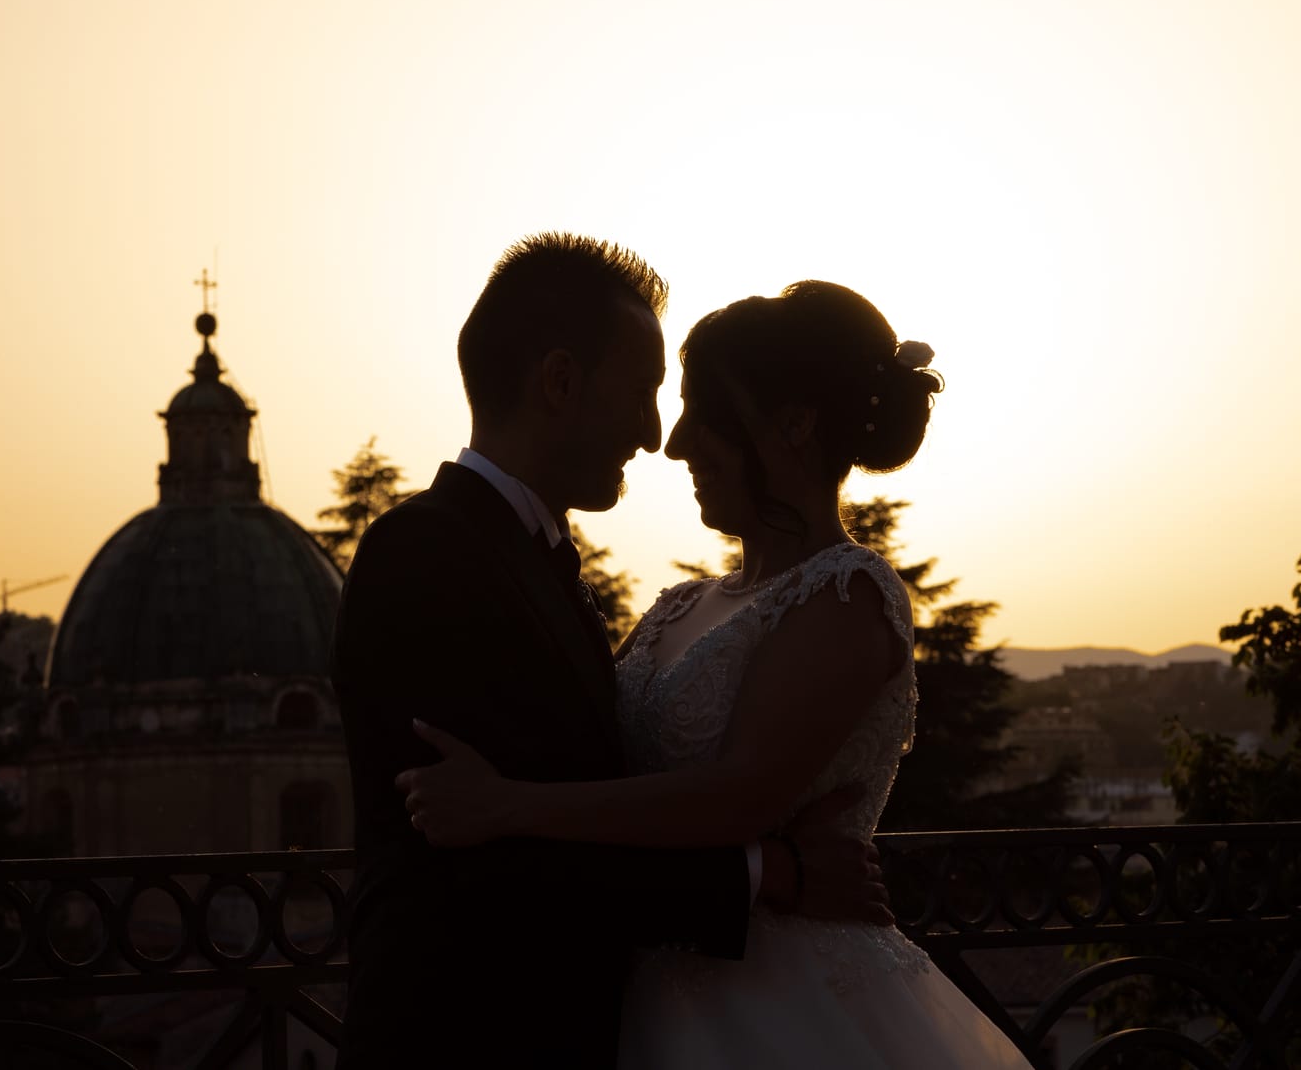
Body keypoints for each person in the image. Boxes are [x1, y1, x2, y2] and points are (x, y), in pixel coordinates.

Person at [396, 281, 1036, 1068]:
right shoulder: (678, 605)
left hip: (780, 1010)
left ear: (794, 424)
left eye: (703, 411)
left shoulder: (848, 596)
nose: (676, 442)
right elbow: (598, 757)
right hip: (630, 994)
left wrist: (510, 806)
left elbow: (736, 797)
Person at [331, 238, 893, 1070]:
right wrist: (767, 871)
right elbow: (485, 864)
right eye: (643, 392)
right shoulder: (425, 555)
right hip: (463, 1036)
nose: (656, 432)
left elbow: (564, 801)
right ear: (559, 382)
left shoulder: (536, 560)